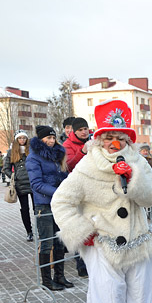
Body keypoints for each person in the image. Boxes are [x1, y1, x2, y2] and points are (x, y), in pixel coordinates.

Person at [52, 99, 152, 303]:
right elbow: (61, 201)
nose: (115, 143)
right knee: (108, 292)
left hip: (138, 239)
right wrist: (80, 230)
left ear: (127, 140)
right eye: (109, 137)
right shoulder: (87, 166)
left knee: (140, 291)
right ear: (99, 140)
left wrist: (133, 180)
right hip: (102, 241)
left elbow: (151, 198)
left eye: (120, 138)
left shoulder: (139, 162)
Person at [26, 126, 72, 291]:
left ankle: (59, 276)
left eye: (53, 138)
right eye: (48, 139)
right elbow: (36, 184)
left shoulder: (57, 155)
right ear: (41, 140)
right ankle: (46, 280)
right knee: (46, 243)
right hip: (44, 204)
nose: (52, 141)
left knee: (60, 240)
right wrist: (59, 193)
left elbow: (62, 175)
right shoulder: (34, 158)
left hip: (59, 204)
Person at [61, 117, 91, 277]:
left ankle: (94, 261)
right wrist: (83, 152)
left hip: (93, 187)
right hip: (78, 189)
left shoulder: (93, 141)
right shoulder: (67, 145)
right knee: (81, 226)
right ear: (74, 131)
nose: (84, 132)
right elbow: (69, 164)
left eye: (86, 128)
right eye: (80, 130)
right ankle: (81, 264)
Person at [2, 130, 34, 241]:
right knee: (25, 209)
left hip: (33, 182)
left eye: (24, 138)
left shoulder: (31, 150)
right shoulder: (12, 152)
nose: (22, 140)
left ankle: (41, 229)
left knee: (37, 208)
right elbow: (5, 168)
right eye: (20, 138)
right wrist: (14, 177)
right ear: (16, 140)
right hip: (20, 184)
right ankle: (29, 231)